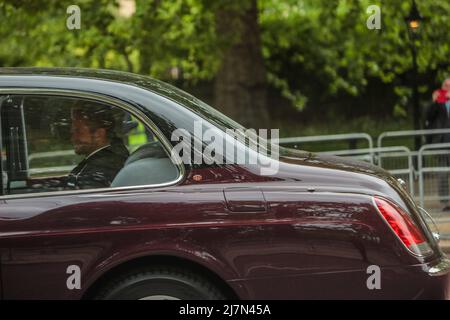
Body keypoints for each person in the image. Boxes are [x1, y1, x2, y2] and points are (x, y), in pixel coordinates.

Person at [65, 103, 129, 189]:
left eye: (78, 131)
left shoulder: (100, 170)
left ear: (99, 134)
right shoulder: (110, 159)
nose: (73, 138)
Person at [425, 78, 450, 210]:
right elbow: (429, 117)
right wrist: (434, 101)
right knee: (442, 173)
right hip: (442, 142)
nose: (447, 89)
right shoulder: (438, 101)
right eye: (446, 86)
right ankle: (445, 202)